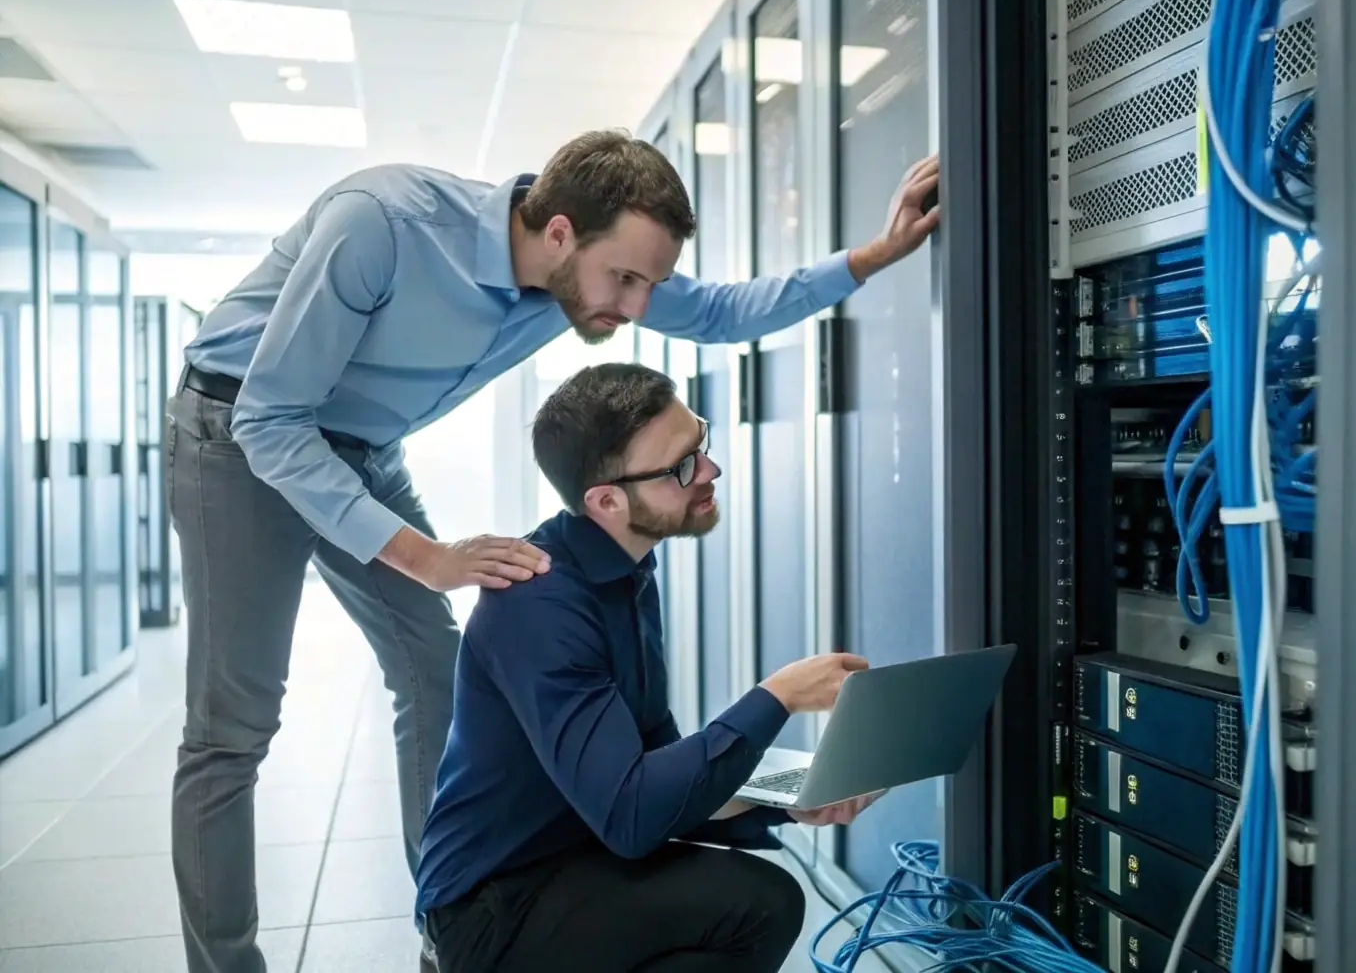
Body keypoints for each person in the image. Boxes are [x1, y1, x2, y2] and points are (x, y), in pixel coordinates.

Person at [167, 128, 939, 973]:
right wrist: (430, 558)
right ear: (562, 232)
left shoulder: (581, 278)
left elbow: (716, 312)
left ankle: (450, 924)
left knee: (431, 670)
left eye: (647, 281)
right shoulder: (380, 224)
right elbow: (270, 418)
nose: (637, 305)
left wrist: (872, 255)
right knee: (231, 729)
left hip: (361, 446)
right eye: (627, 279)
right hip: (235, 434)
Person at [417, 362, 882, 972]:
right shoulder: (538, 603)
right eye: (681, 466)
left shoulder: (625, 572)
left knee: (759, 904)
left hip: (577, 853)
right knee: (757, 904)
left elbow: (655, 775)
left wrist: (788, 801)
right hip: (492, 908)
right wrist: (778, 697)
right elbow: (634, 816)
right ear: (607, 500)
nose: (710, 471)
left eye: (701, 444)